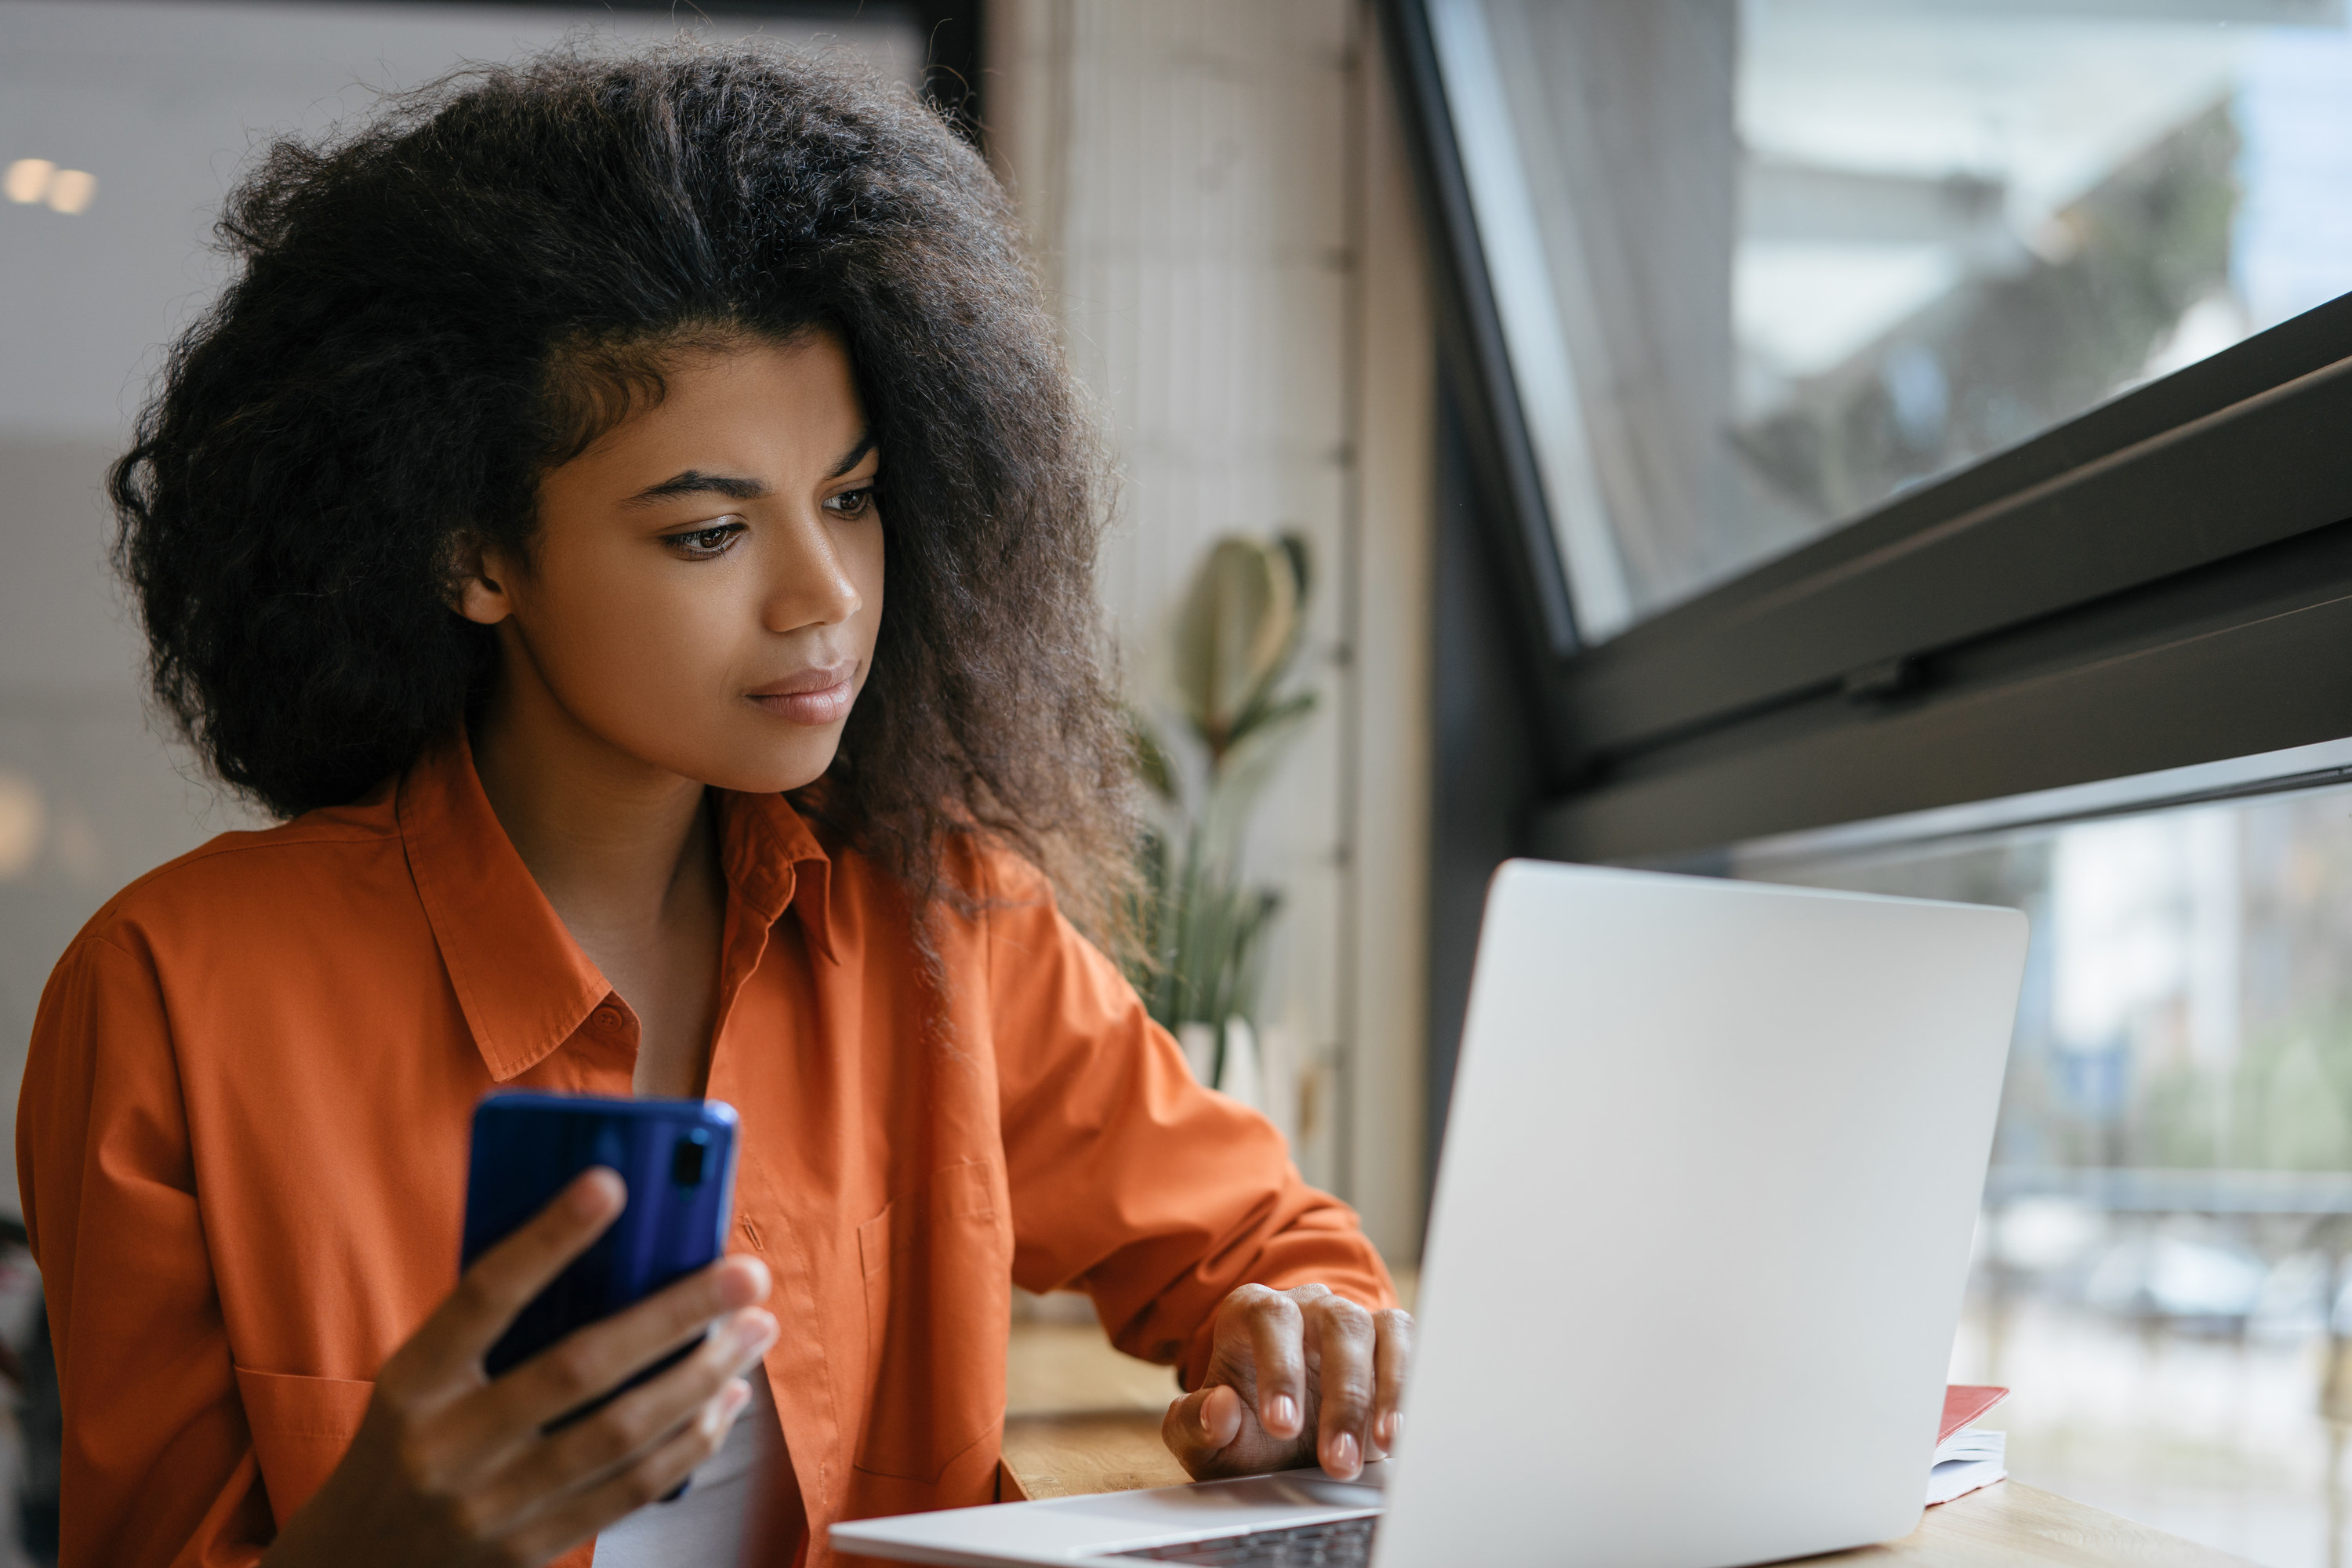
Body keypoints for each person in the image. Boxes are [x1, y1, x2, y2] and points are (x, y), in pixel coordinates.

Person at [15, 39, 1408, 1568]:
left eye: (855, 498)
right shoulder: (174, 998)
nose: (824, 596)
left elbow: (1271, 1250)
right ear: (475, 555)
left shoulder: (951, 927)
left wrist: (1302, 1342)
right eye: (705, 532)